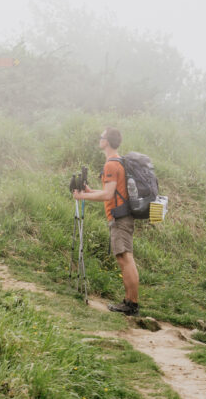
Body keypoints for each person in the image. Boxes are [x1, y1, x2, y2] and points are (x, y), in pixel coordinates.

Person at [72, 126, 140, 315]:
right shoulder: (119, 161)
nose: (99, 139)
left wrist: (82, 197)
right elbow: (113, 191)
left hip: (120, 217)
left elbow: (109, 195)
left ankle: (132, 304)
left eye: (101, 136)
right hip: (122, 215)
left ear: (107, 141)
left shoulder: (111, 164)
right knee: (123, 258)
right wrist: (90, 191)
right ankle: (129, 302)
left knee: (126, 258)